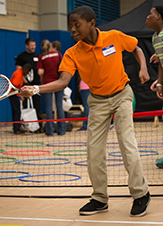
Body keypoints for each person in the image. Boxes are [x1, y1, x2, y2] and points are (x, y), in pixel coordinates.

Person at [20, 6, 150, 216]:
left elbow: (136, 48)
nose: (72, 29)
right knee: (94, 153)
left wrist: (142, 67)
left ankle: (140, 194)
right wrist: (35, 89)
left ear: (91, 23)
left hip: (121, 94)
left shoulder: (113, 37)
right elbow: (62, 82)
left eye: (76, 24)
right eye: (70, 25)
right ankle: (100, 198)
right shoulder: (73, 53)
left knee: (128, 145)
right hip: (97, 101)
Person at [37, 39, 65, 136]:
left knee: (49, 108)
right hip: (59, 82)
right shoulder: (58, 55)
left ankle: (50, 131)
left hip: (47, 83)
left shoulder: (42, 57)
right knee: (59, 107)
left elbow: (40, 72)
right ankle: (61, 130)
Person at [15, 38, 43, 132]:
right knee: (25, 106)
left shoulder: (37, 56)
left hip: (36, 85)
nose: (33, 47)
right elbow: (18, 70)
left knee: (37, 105)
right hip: (26, 85)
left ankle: (39, 126)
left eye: (34, 45)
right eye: (31, 45)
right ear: (26, 46)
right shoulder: (21, 57)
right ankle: (24, 126)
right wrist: (25, 81)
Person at [9, 63, 31, 134]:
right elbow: (14, 86)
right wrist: (20, 95)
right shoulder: (18, 74)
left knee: (15, 111)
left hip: (13, 93)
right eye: (27, 72)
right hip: (12, 94)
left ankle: (16, 127)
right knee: (17, 111)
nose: (27, 73)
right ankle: (16, 128)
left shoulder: (20, 73)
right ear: (26, 69)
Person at [146, 6, 163, 99]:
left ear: (158, 16)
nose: (147, 17)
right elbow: (161, 62)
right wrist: (160, 83)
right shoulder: (155, 38)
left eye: (150, 14)